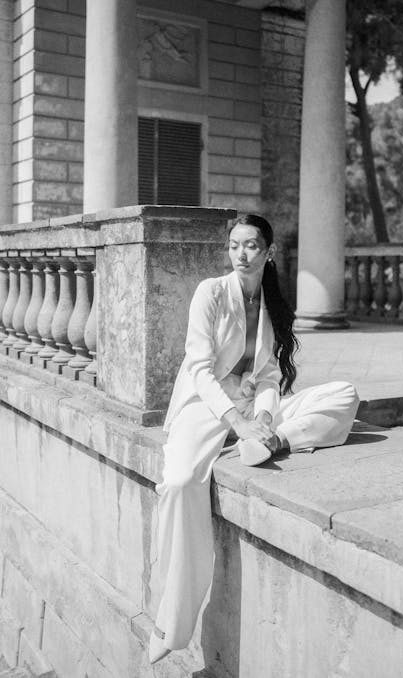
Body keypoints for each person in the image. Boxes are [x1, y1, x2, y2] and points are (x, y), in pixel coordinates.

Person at [149, 214, 359, 664]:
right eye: (234, 246)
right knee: (183, 481)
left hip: (252, 412)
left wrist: (262, 417)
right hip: (207, 408)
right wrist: (237, 422)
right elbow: (198, 369)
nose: (240, 254)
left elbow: (267, 375)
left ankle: (276, 441)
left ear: (268, 253)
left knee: (346, 394)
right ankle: (170, 621)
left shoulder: (271, 303)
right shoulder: (211, 292)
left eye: (250, 246)